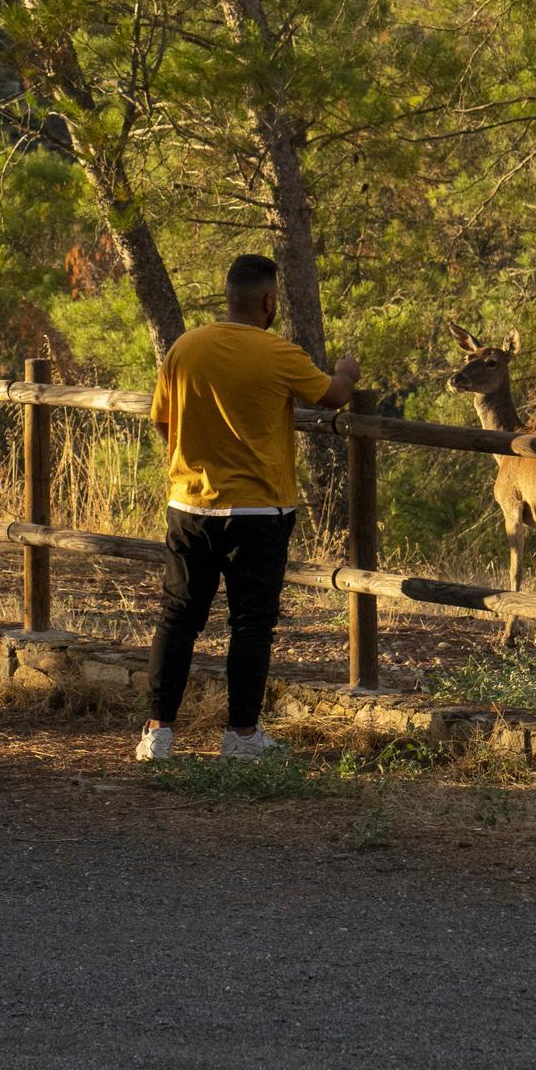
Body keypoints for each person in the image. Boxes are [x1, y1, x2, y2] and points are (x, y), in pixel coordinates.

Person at [138, 254, 360, 762]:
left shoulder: (184, 349)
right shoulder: (278, 353)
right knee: (251, 624)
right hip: (260, 511)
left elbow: (161, 421)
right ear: (268, 301)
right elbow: (331, 397)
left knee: (178, 617)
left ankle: (158, 733)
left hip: (190, 505)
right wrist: (346, 371)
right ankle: (241, 736)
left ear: (227, 295)